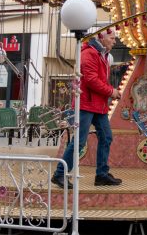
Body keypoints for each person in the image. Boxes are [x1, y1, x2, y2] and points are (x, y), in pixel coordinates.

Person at [52, 30, 122, 188]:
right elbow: (91, 80)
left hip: (98, 105)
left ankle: (102, 175)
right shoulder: (89, 54)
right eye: (112, 38)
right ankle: (60, 174)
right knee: (80, 141)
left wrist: (110, 91)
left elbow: (97, 80)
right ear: (101, 38)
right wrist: (111, 91)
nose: (114, 41)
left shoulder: (100, 54)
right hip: (86, 104)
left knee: (106, 137)